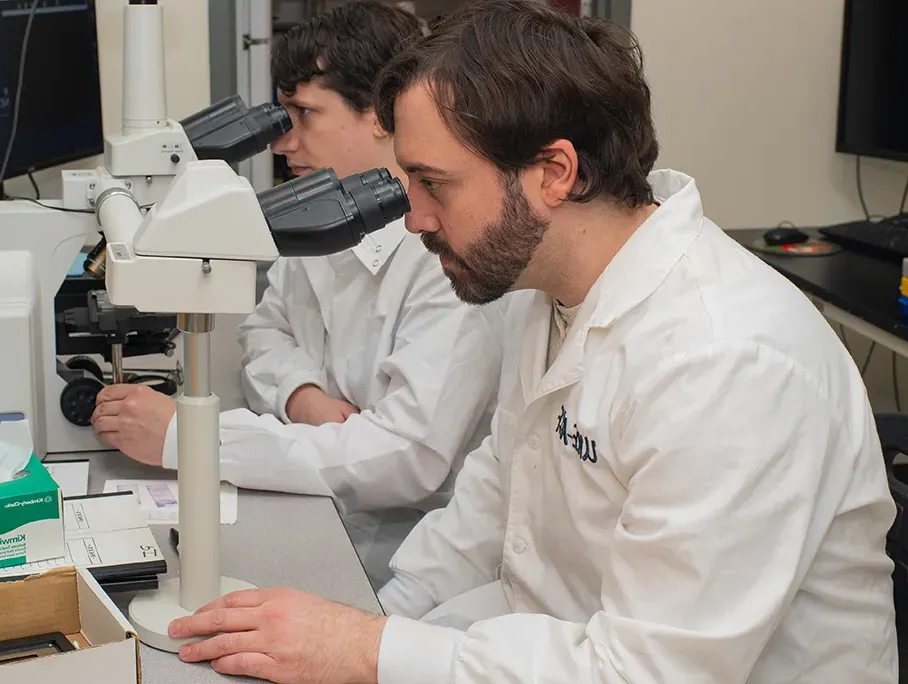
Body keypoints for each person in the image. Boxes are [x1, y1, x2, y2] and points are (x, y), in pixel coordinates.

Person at [162, 1, 899, 683]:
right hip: (545, 644)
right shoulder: (544, 286)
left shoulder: (724, 361)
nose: (412, 218)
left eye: (433, 184)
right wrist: (374, 617)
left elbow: (651, 671)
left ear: (554, 172)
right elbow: (493, 499)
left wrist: (366, 648)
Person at [90, 0, 503, 589]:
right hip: (316, 510)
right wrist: (301, 394)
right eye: (282, 118)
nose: (284, 144)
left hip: (400, 560)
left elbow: (404, 456)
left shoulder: (447, 258)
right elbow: (264, 330)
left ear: (384, 116)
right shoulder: (326, 218)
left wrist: (192, 439)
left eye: (305, 115)